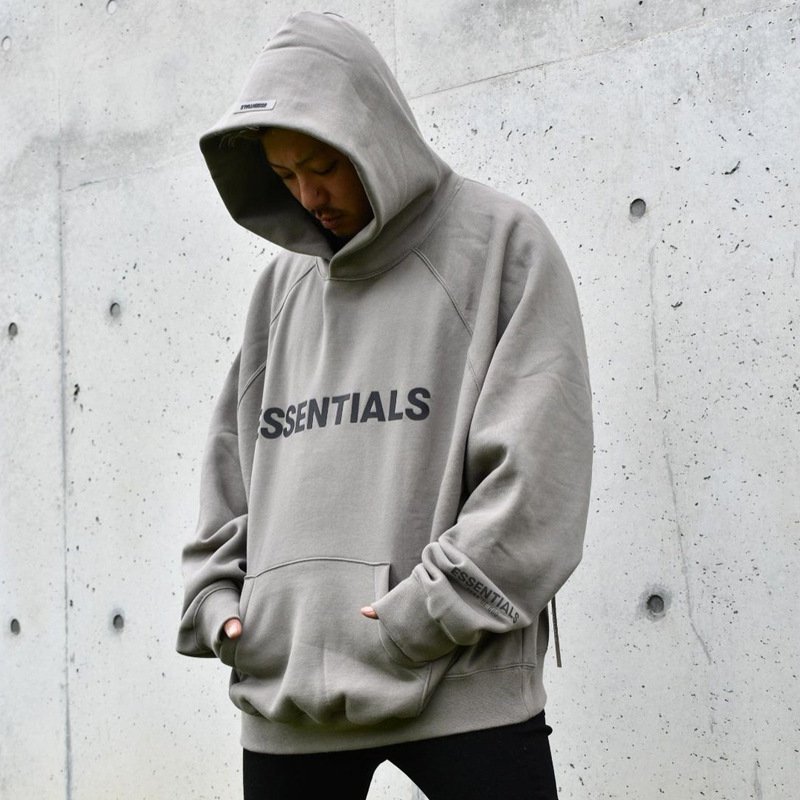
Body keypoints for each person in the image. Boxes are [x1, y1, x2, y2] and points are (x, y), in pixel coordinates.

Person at [177, 11, 593, 800]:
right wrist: (220, 601)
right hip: (287, 695)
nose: (309, 196)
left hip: (462, 687)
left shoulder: (500, 246)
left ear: (372, 132)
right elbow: (234, 466)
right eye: (285, 176)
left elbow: (540, 475)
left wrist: (425, 615)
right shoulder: (281, 290)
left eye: (322, 165)